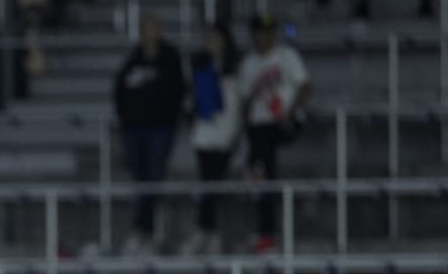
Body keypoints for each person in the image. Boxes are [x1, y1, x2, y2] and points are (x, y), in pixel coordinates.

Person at [237, 14, 310, 251]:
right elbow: (246, 100)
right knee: (259, 170)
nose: (263, 36)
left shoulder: (286, 55)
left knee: (261, 167)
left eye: (268, 31)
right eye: (259, 31)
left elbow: (305, 86)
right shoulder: (249, 63)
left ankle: (266, 232)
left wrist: (290, 112)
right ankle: (264, 229)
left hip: (284, 121)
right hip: (259, 125)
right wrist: (244, 125)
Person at [113, 14, 186, 250]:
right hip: (135, 130)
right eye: (146, 28)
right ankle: (145, 232)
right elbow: (119, 92)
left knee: (153, 179)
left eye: (154, 27)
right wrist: (126, 122)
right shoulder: (133, 59)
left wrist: (170, 119)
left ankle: (143, 232)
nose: (150, 32)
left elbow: (178, 90)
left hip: (160, 129)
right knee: (141, 180)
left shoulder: (170, 57)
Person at [186, 22, 243, 255]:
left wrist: (236, 135)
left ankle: (209, 233)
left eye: (216, 39)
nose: (211, 43)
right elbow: (194, 104)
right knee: (208, 184)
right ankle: (209, 234)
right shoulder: (200, 68)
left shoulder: (235, 69)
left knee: (215, 187)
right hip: (205, 136)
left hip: (226, 135)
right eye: (208, 38)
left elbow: (237, 105)